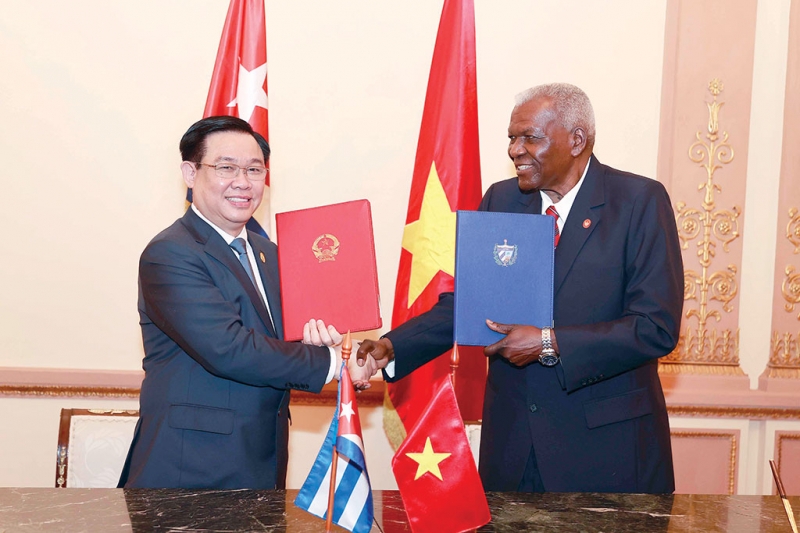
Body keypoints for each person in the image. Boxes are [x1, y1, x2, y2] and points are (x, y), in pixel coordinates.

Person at [357, 83, 684, 493]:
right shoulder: (502, 199)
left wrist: (550, 342)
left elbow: (655, 326)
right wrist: (394, 346)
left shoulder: (638, 202)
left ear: (577, 140)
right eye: (512, 138)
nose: (514, 149)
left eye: (530, 137)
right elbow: (472, 304)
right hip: (513, 452)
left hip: (606, 454)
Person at [119, 116, 366, 489]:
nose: (243, 181)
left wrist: (326, 344)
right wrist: (337, 363)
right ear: (190, 172)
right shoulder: (170, 253)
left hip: (262, 463)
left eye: (254, 169)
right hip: (190, 470)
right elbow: (229, 348)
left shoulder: (272, 255)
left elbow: (277, 344)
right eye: (226, 167)